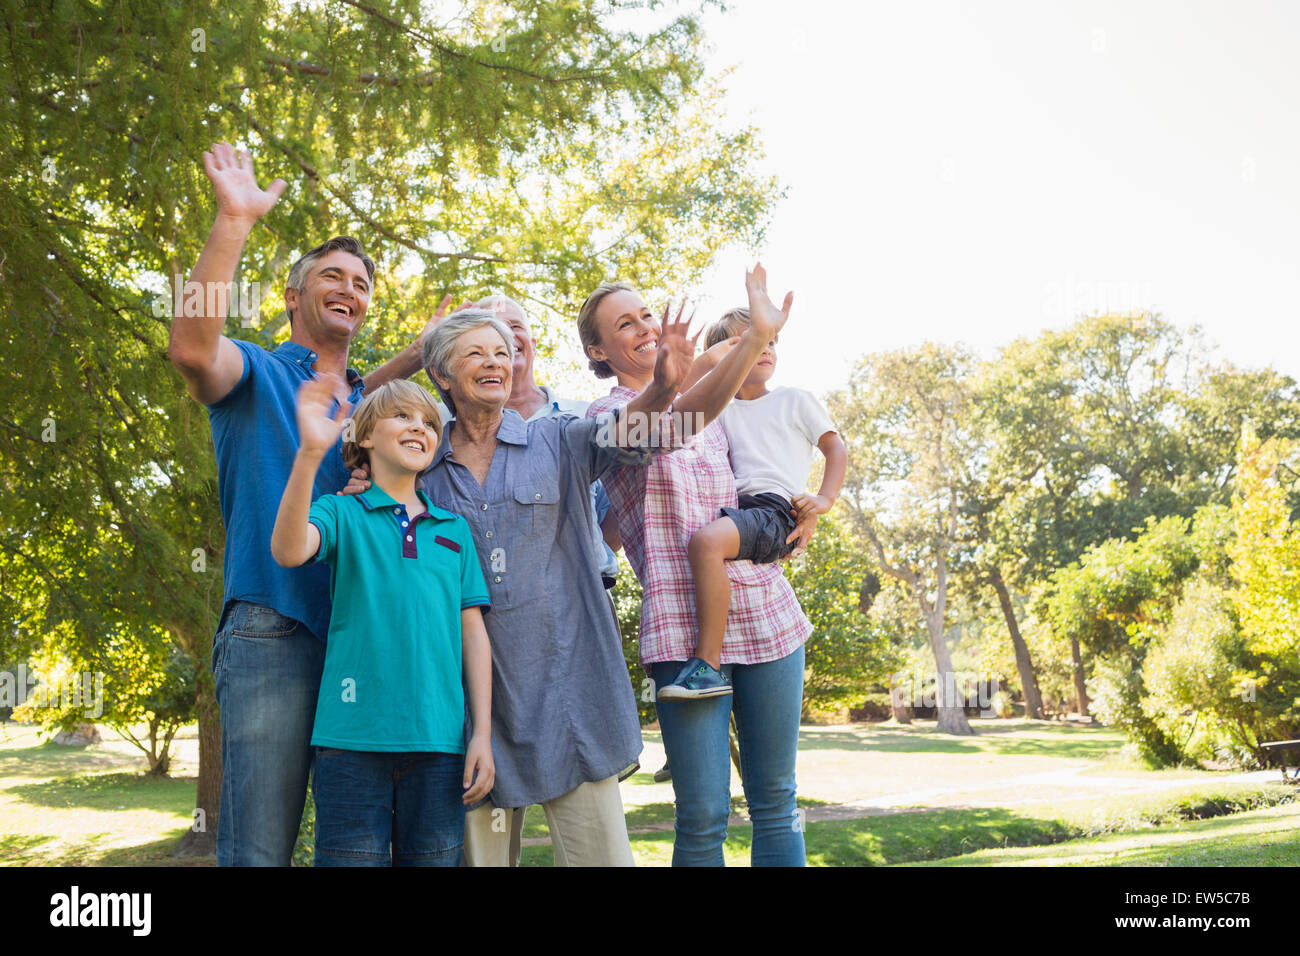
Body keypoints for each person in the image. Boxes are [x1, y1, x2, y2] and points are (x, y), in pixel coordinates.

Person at [169, 143, 437, 866]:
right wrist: (234, 221)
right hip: (275, 628)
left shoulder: (369, 408)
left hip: (364, 638)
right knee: (258, 851)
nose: (349, 286)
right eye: (331, 276)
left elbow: (355, 393)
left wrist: (414, 355)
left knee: (358, 850)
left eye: (361, 281)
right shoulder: (256, 370)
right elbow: (195, 349)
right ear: (292, 296)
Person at [581, 264, 814, 866]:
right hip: (684, 635)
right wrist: (749, 341)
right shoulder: (604, 418)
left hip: (766, 610)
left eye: (647, 315)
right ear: (598, 351)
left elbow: (760, 460)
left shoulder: (714, 399)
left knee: (775, 800)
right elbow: (679, 420)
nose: (643, 327)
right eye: (623, 324)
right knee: (704, 815)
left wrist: (805, 510)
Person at [270, 378, 493, 865]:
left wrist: (480, 735)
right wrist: (309, 456)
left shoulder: (454, 530)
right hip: (350, 743)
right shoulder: (340, 511)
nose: (419, 427)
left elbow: (473, 634)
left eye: (429, 423)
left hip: (439, 744)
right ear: (365, 437)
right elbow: (288, 551)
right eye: (403, 417)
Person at [658, 307, 848, 701]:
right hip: (738, 509)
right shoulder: (720, 410)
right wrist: (711, 361)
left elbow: (835, 448)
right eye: (752, 343)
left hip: (777, 510)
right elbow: (677, 403)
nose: (767, 349)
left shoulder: (794, 399)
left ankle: (707, 666)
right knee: (706, 543)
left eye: (771, 342)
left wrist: (822, 501)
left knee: (707, 543)